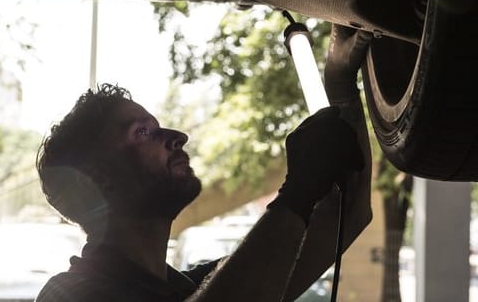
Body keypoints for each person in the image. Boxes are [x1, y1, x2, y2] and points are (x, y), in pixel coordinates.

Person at [35, 25, 373, 302]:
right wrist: (297, 192)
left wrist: (341, 87)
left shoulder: (191, 287)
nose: (178, 135)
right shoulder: (69, 294)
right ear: (99, 179)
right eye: (142, 132)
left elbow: (349, 211)